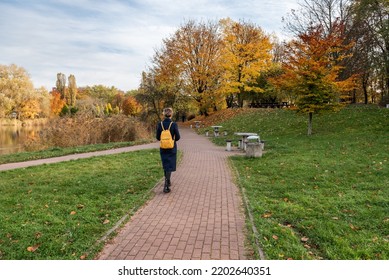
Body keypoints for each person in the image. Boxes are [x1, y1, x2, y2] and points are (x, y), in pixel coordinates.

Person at [156, 108, 181, 193]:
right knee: (170, 165)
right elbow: (178, 137)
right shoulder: (173, 124)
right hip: (171, 147)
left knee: (165, 164)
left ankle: (168, 181)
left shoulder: (160, 124)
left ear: (164, 114)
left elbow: (157, 137)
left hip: (163, 147)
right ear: (171, 114)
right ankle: (166, 185)